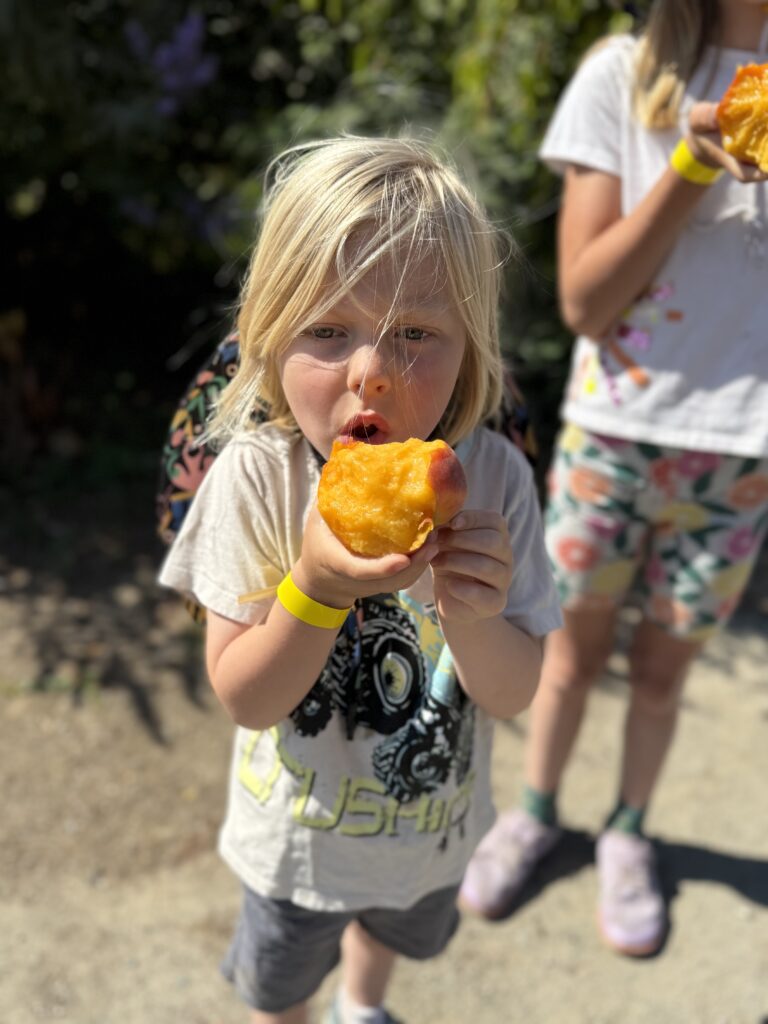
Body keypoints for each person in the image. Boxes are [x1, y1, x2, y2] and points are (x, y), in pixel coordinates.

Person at [158, 135, 562, 1024]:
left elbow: (513, 690)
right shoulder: (258, 481)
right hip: (295, 847)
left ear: (471, 349)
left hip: (431, 835)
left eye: (415, 333)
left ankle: (364, 1004)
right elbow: (245, 696)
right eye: (328, 330)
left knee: (390, 936)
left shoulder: (494, 481)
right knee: (281, 983)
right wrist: (314, 587)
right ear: (267, 338)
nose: (371, 368)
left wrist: (476, 612)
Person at [459, 0, 768, 958]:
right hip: (616, 434)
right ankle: (538, 814)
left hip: (745, 445)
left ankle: (628, 831)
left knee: (664, 674)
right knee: (567, 654)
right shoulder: (621, 74)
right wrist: (689, 163)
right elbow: (585, 300)